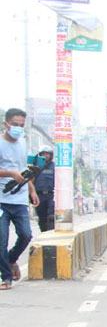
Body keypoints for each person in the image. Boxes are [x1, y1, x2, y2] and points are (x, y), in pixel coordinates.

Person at [0, 108, 39, 290]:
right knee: (2, 239)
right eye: (14, 125)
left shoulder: (23, 143)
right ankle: (6, 278)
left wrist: (32, 191)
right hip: (1, 200)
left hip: (20, 199)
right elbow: (14, 171)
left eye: (21, 126)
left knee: (25, 235)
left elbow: (24, 169)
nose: (18, 129)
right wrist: (10, 173)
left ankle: (11, 259)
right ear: (6, 124)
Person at [33, 145, 55, 232]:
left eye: (47, 154)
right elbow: (31, 181)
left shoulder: (54, 167)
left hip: (50, 195)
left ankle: (50, 233)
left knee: (51, 216)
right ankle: (44, 233)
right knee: (42, 218)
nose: (45, 156)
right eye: (43, 154)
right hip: (39, 195)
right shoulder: (36, 166)